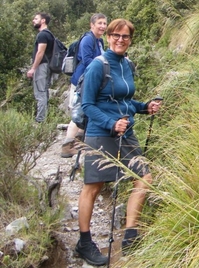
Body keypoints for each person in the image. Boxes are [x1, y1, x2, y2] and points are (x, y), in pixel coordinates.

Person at [75, 19, 162, 266]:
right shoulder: (97, 66)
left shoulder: (127, 65)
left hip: (126, 132)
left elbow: (124, 101)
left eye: (125, 36)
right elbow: (88, 105)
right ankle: (84, 242)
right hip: (100, 132)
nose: (120, 39)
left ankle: (130, 235)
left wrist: (144, 107)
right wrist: (111, 123)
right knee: (93, 186)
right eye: (116, 35)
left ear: (130, 40)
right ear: (109, 36)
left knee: (145, 177)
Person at [61, 13, 108, 158]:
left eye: (104, 23)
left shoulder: (99, 41)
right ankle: (67, 147)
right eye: (99, 23)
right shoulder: (88, 40)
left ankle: (79, 143)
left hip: (91, 81)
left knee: (86, 110)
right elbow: (88, 61)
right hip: (82, 81)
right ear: (92, 25)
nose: (102, 26)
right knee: (79, 112)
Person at [26, 12, 55, 123]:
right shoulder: (50, 34)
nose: (33, 20)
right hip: (47, 67)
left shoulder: (43, 35)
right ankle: (44, 118)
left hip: (42, 66)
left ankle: (40, 120)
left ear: (43, 21)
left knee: (40, 93)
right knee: (44, 92)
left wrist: (33, 68)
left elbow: (40, 52)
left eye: (36, 18)